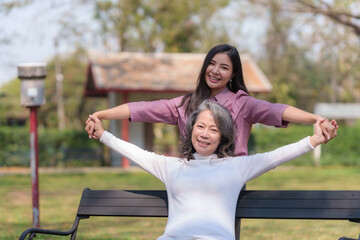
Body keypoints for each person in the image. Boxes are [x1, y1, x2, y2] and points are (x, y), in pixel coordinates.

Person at [88, 100, 332, 240]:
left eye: (213, 129)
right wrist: (103, 135)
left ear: (223, 136)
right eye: (200, 126)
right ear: (191, 129)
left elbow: (275, 157)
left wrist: (313, 141)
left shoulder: (236, 167)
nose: (205, 134)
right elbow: (137, 154)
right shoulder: (171, 167)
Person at [85, 43, 337, 156]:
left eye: (224, 67)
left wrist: (317, 119)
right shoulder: (185, 104)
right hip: (191, 177)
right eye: (211, 64)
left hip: (230, 178)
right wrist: (101, 115)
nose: (215, 71)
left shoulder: (242, 103)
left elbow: (278, 110)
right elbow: (143, 108)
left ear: (233, 74)